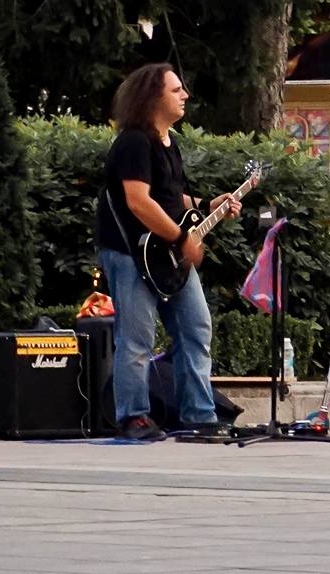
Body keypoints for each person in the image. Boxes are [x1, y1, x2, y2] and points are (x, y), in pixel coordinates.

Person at [93, 64, 240, 441]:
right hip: (131, 252)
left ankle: (199, 415)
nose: (185, 96)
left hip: (167, 252)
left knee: (195, 327)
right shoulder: (133, 142)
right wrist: (180, 239)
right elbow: (138, 201)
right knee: (137, 337)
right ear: (153, 96)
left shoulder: (169, 142)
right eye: (176, 90)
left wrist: (209, 204)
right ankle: (133, 417)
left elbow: (168, 197)